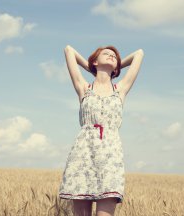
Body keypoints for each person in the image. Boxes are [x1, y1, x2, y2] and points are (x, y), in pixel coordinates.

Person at [59, 45, 144, 216]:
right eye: (107, 54)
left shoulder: (120, 90)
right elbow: (69, 50)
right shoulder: (84, 88)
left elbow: (138, 54)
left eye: (115, 56)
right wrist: (91, 67)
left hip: (110, 158)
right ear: (95, 61)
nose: (112, 56)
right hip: (83, 155)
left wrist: (116, 65)